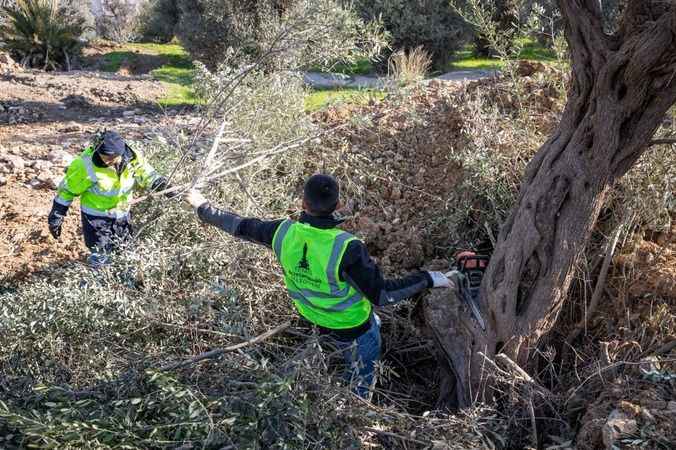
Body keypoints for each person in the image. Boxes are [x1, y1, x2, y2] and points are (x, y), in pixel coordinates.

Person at [185, 174, 454, 399]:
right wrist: (430, 278)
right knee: (361, 380)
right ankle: (358, 412)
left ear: (303, 202)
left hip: (314, 319)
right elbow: (382, 294)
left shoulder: (282, 232)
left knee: (348, 343)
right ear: (338, 204)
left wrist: (201, 206)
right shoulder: (347, 247)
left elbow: (237, 224)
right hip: (355, 331)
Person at [48, 130, 169, 268]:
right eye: (104, 157)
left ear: (121, 152)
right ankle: (97, 284)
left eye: (113, 158)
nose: (108, 161)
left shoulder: (132, 158)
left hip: (122, 216)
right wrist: (57, 214)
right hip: (96, 220)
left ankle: (121, 284)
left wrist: (162, 185)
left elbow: (147, 174)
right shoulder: (85, 165)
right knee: (101, 257)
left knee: (124, 253)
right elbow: (67, 190)